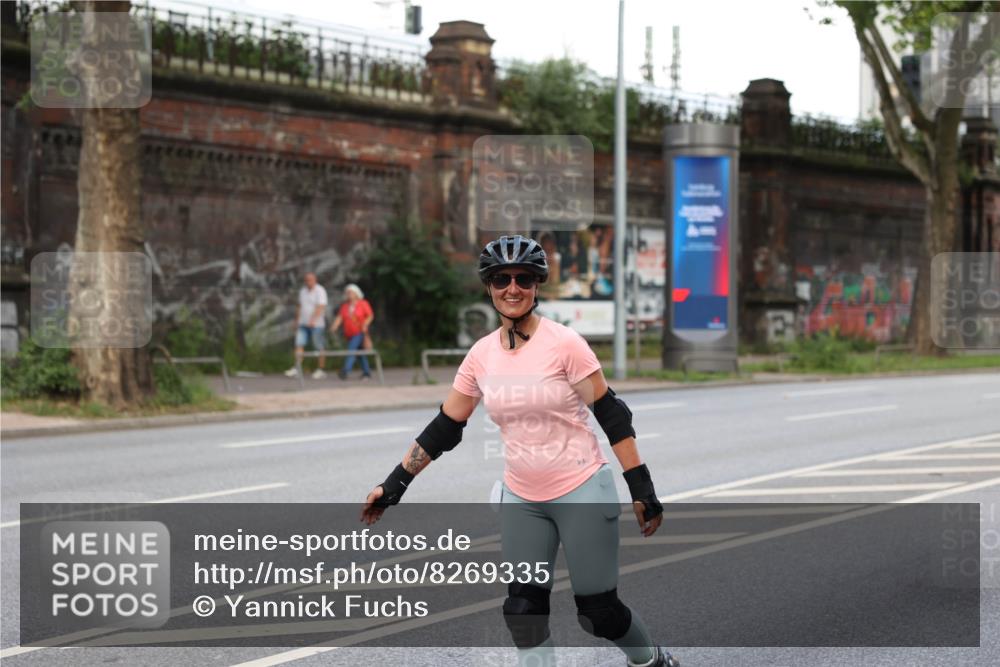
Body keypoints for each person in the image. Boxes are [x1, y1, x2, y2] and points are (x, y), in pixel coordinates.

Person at [361, 235, 679, 667]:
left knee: (599, 613)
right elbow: (446, 427)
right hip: (522, 497)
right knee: (523, 612)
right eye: (501, 279)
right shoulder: (480, 356)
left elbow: (612, 416)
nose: (512, 288)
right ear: (488, 286)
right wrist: (395, 483)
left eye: (523, 278)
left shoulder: (564, 344)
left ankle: (650, 661)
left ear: (537, 284)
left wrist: (642, 488)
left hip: (581, 488)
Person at [284, 272, 328, 379]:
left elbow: (321, 306)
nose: (308, 282)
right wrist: (297, 320)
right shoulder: (303, 291)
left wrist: (313, 320)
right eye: (306, 280)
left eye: (310, 280)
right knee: (299, 344)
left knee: (319, 346)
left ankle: (321, 369)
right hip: (303, 323)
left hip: (317, 324)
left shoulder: (320, 290)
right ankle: (297, 368)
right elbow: (300, 306)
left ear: (315, 280)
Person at [330, 283, 374, 381]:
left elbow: (370, 315)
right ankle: (366, 372)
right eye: (347, 292)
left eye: (350, 292)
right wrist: (335, 326)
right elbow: (340, 317)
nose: (348, 294)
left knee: (351, 350)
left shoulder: (363, 303)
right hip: (349, 334)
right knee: (359, 354)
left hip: (359, 332)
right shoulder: (345, 306)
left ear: (356, 293)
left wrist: (365, 324)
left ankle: (345, 370)